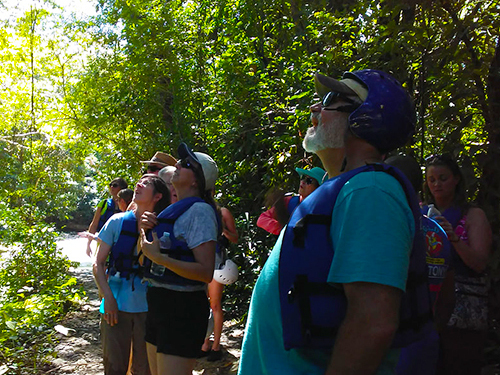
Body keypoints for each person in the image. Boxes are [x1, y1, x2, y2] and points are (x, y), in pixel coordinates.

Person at [239, 69, 432, 375]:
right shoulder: (341, 189)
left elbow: (373, 323)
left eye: (330, 100)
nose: (315, 108)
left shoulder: (370, 192)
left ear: (362, 118)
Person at [139, 143, 220, 375]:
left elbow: (205, 271)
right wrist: (144, 231)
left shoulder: (200, 212)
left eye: (185, 164)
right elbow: (149, 254)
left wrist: (161, 259)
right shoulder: (172, 211)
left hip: (182, 309)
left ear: (196, 181)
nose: (176, 164)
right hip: (159, 301)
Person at [93, 174, 170, 375]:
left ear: (158, 197)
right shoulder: (117, 221)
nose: (138, 184)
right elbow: (98, 263)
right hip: (115, 306)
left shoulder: (163, 228)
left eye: (146, 183)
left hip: (149, 308)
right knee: (115, 367)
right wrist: (108, 298)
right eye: (139, 181)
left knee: (144, 369)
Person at [423, 154, 491, 375]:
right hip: (427, 305)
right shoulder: (422, 212)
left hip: (464, 312)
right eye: (431, 179)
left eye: (442, 178)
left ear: (456, 180)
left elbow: (480, 263)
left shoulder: (472, 215)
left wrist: (453, 239)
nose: (436, 184)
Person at [385, 155, 452, 375]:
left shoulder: (392, 227)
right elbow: (448, 295)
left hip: (394, 341)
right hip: (427, 336)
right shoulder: (438, 230)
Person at [200, 203, 239, 361]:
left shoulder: (223, 212)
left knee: (214, 304)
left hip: (217, 264)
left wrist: (222, 228)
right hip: (200, 262)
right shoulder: (197, 210)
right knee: (201, 302)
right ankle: (204, 343)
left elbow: (235, 238)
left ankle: (216, 346)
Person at [257, 166, 326, 235]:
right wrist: (284, 230)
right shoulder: (288, 201)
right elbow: (262, 219)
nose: (302, 182)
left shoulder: (323, 210)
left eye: (309, 181)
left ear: (318, 189)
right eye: (303, 178)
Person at [86, 177, 128, 257]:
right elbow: (94, 224)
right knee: (99, 265)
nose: (111, 187)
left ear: (122, 188)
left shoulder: (129, 204)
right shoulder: (104, 203)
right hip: (103, 240)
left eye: (115, 185)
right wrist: (88, 244)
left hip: (121, 240)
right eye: (110, 185)